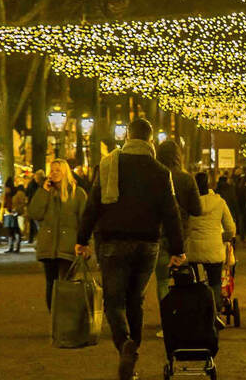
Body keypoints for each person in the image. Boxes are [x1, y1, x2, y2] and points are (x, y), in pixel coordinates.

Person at [77, 118, 184, 380]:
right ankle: (132, 350)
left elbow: (93, 206)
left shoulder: (109, 165)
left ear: (127, 136)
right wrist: (177, 249)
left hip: (113, 242)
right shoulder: (161, 172)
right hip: (148, 244)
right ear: (150, 140)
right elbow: (171, 213)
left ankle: (124, 343)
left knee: (114, 301)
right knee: (136, 300)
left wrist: (82, 239)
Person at [30, 158, 87, 310]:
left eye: (58, 170)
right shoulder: (46, 192)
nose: (54, 173)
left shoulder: (78, 194)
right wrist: (43, 191)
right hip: (48, 246)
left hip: (68, 246)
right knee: (51, 284)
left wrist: (85, 244)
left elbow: (84, 221)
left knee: (66, 284)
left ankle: (66, 317)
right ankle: (55, 318)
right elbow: (35, 213)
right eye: (52, 170)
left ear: (65, 172)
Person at [155, 140, 202, 302]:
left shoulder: (155, 177)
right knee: (183, 277)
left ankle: (165, 311)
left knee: (162, 280)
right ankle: (181, 310)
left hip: (159, 233)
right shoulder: (186, 179)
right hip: (182, 234)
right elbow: (197, 210)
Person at [185, 172, 236, 321]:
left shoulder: (188, 203)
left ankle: (197, 310)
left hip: (194, 250)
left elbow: (183, 225)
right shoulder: (219, 202)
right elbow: (230, 228)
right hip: (214, 249)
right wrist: (222, 238)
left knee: (194, 282)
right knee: (215, 281)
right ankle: (215, 311)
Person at [23, 170, 45, 244]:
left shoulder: (36, 185)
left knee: (36, 224)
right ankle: (36, 238)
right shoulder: (34, 185)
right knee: (35, 223)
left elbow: (27, 195)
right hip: (34, 206)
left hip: (37, 207)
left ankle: (37, 239)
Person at [2, 177, 22, 253]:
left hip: (15, 214)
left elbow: (21, 203)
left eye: (7, 187)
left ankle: (17, 247)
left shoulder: (17, 194)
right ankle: (11, 247)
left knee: (16, 230)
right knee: (10, 231)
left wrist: (16, 209)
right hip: (8, 214)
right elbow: (4, 205)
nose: (6, 189)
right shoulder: (6, 195)